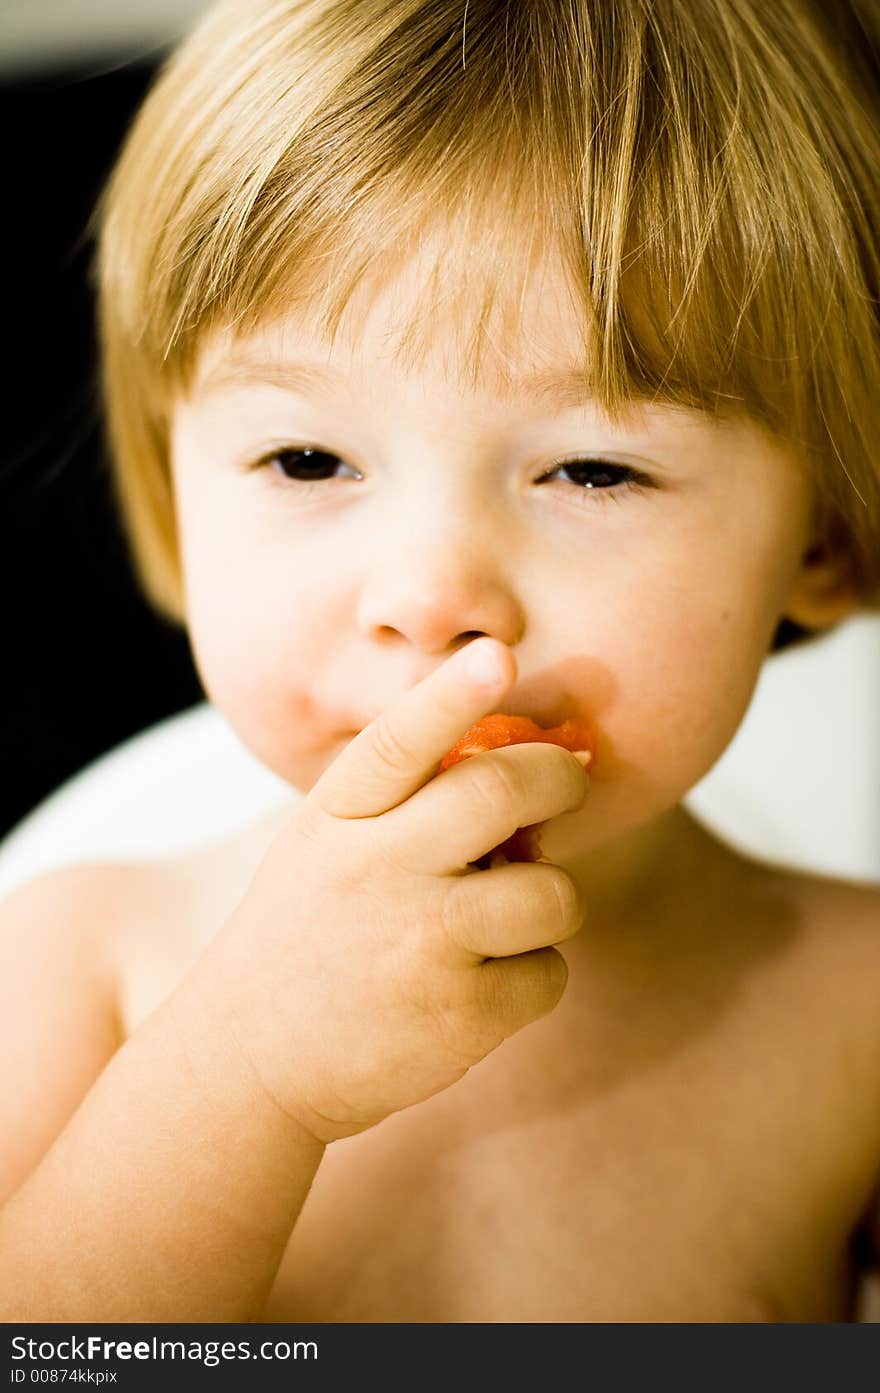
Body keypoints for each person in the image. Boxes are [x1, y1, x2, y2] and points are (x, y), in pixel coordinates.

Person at [0, 0, 878, 1323]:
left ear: (818, 529)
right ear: (179, 494)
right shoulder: (80, 962)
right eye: (308, 459)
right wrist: (238, 1075)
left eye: (593, 466)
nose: (429, 600)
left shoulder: (850, 1011)